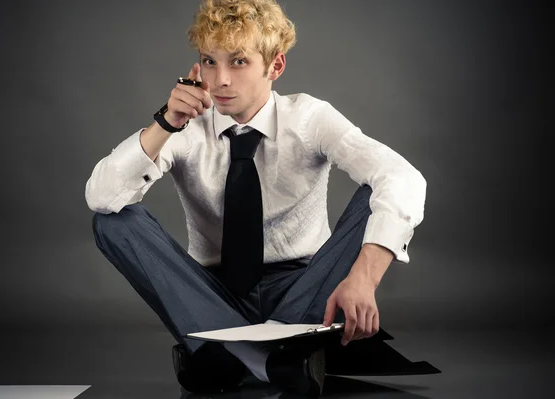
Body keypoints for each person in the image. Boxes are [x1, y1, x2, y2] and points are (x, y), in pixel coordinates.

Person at [85, 0, 426, 396]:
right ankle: (271, 357)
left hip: (305, 291)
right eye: (209, 62)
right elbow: (101, 196)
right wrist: (165, 123)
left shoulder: (309, 117)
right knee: (113, 219)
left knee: (376, 191)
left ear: (275, 67)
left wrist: (364, 279)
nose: (221, 80)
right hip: (210, 293)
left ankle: (228, 353)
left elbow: (403, 177)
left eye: (239, 62)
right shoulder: (186, 127)